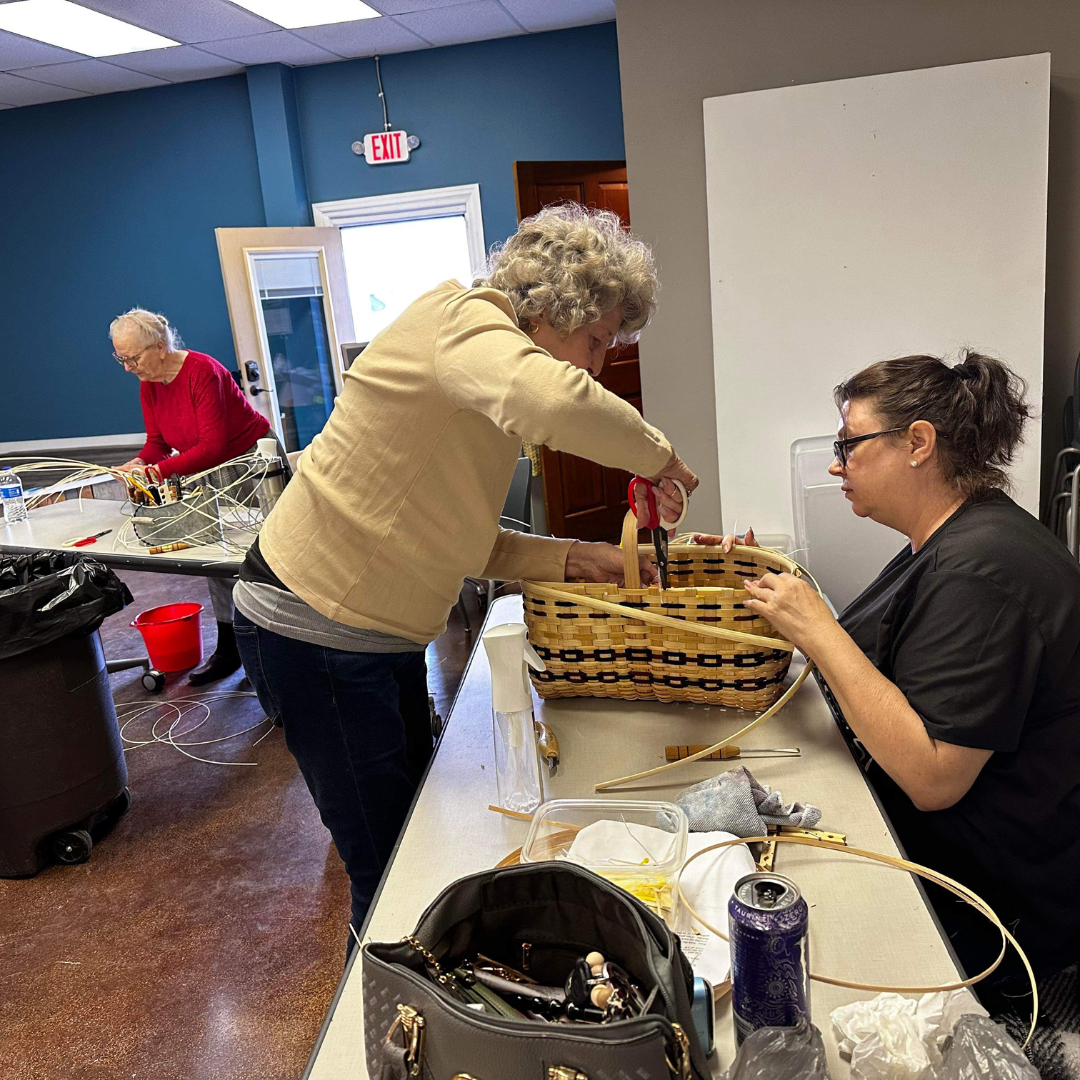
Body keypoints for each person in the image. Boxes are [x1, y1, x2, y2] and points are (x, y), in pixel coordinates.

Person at [232, 204, 698, 946]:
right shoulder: (461, 323)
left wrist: (581, 559)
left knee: (412, 836)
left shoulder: (477, 380)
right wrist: (660, 457)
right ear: (552, 309)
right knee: (386, 871)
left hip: (367, 639)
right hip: (313, 629)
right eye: (597, 339)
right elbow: (552, 398)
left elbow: (458, 538)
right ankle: (390, 1014)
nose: (599, 362)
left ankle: (417, 983)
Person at [700, 351, 1080, 1016]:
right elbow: (885, 654)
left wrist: (817, 630)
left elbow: (934, 777)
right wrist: (763, 584)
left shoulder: (980, 568)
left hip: (995, 903)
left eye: (850, 442)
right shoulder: (953, 538)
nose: (835, 462)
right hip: (964, 851)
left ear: (918, 443)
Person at [110, 308, 271, 685]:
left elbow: (213, 447)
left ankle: (267, 654)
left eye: (133, 358)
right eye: (121, 359)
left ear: (161, 346)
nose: (128, 368)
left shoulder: (203, 370)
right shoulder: (150, 381)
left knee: (261, 562)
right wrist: (136, 463)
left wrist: (155, 472)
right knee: (215, 559)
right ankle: (232, 650)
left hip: (251, 466)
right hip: (207, 471)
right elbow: (158, 444)